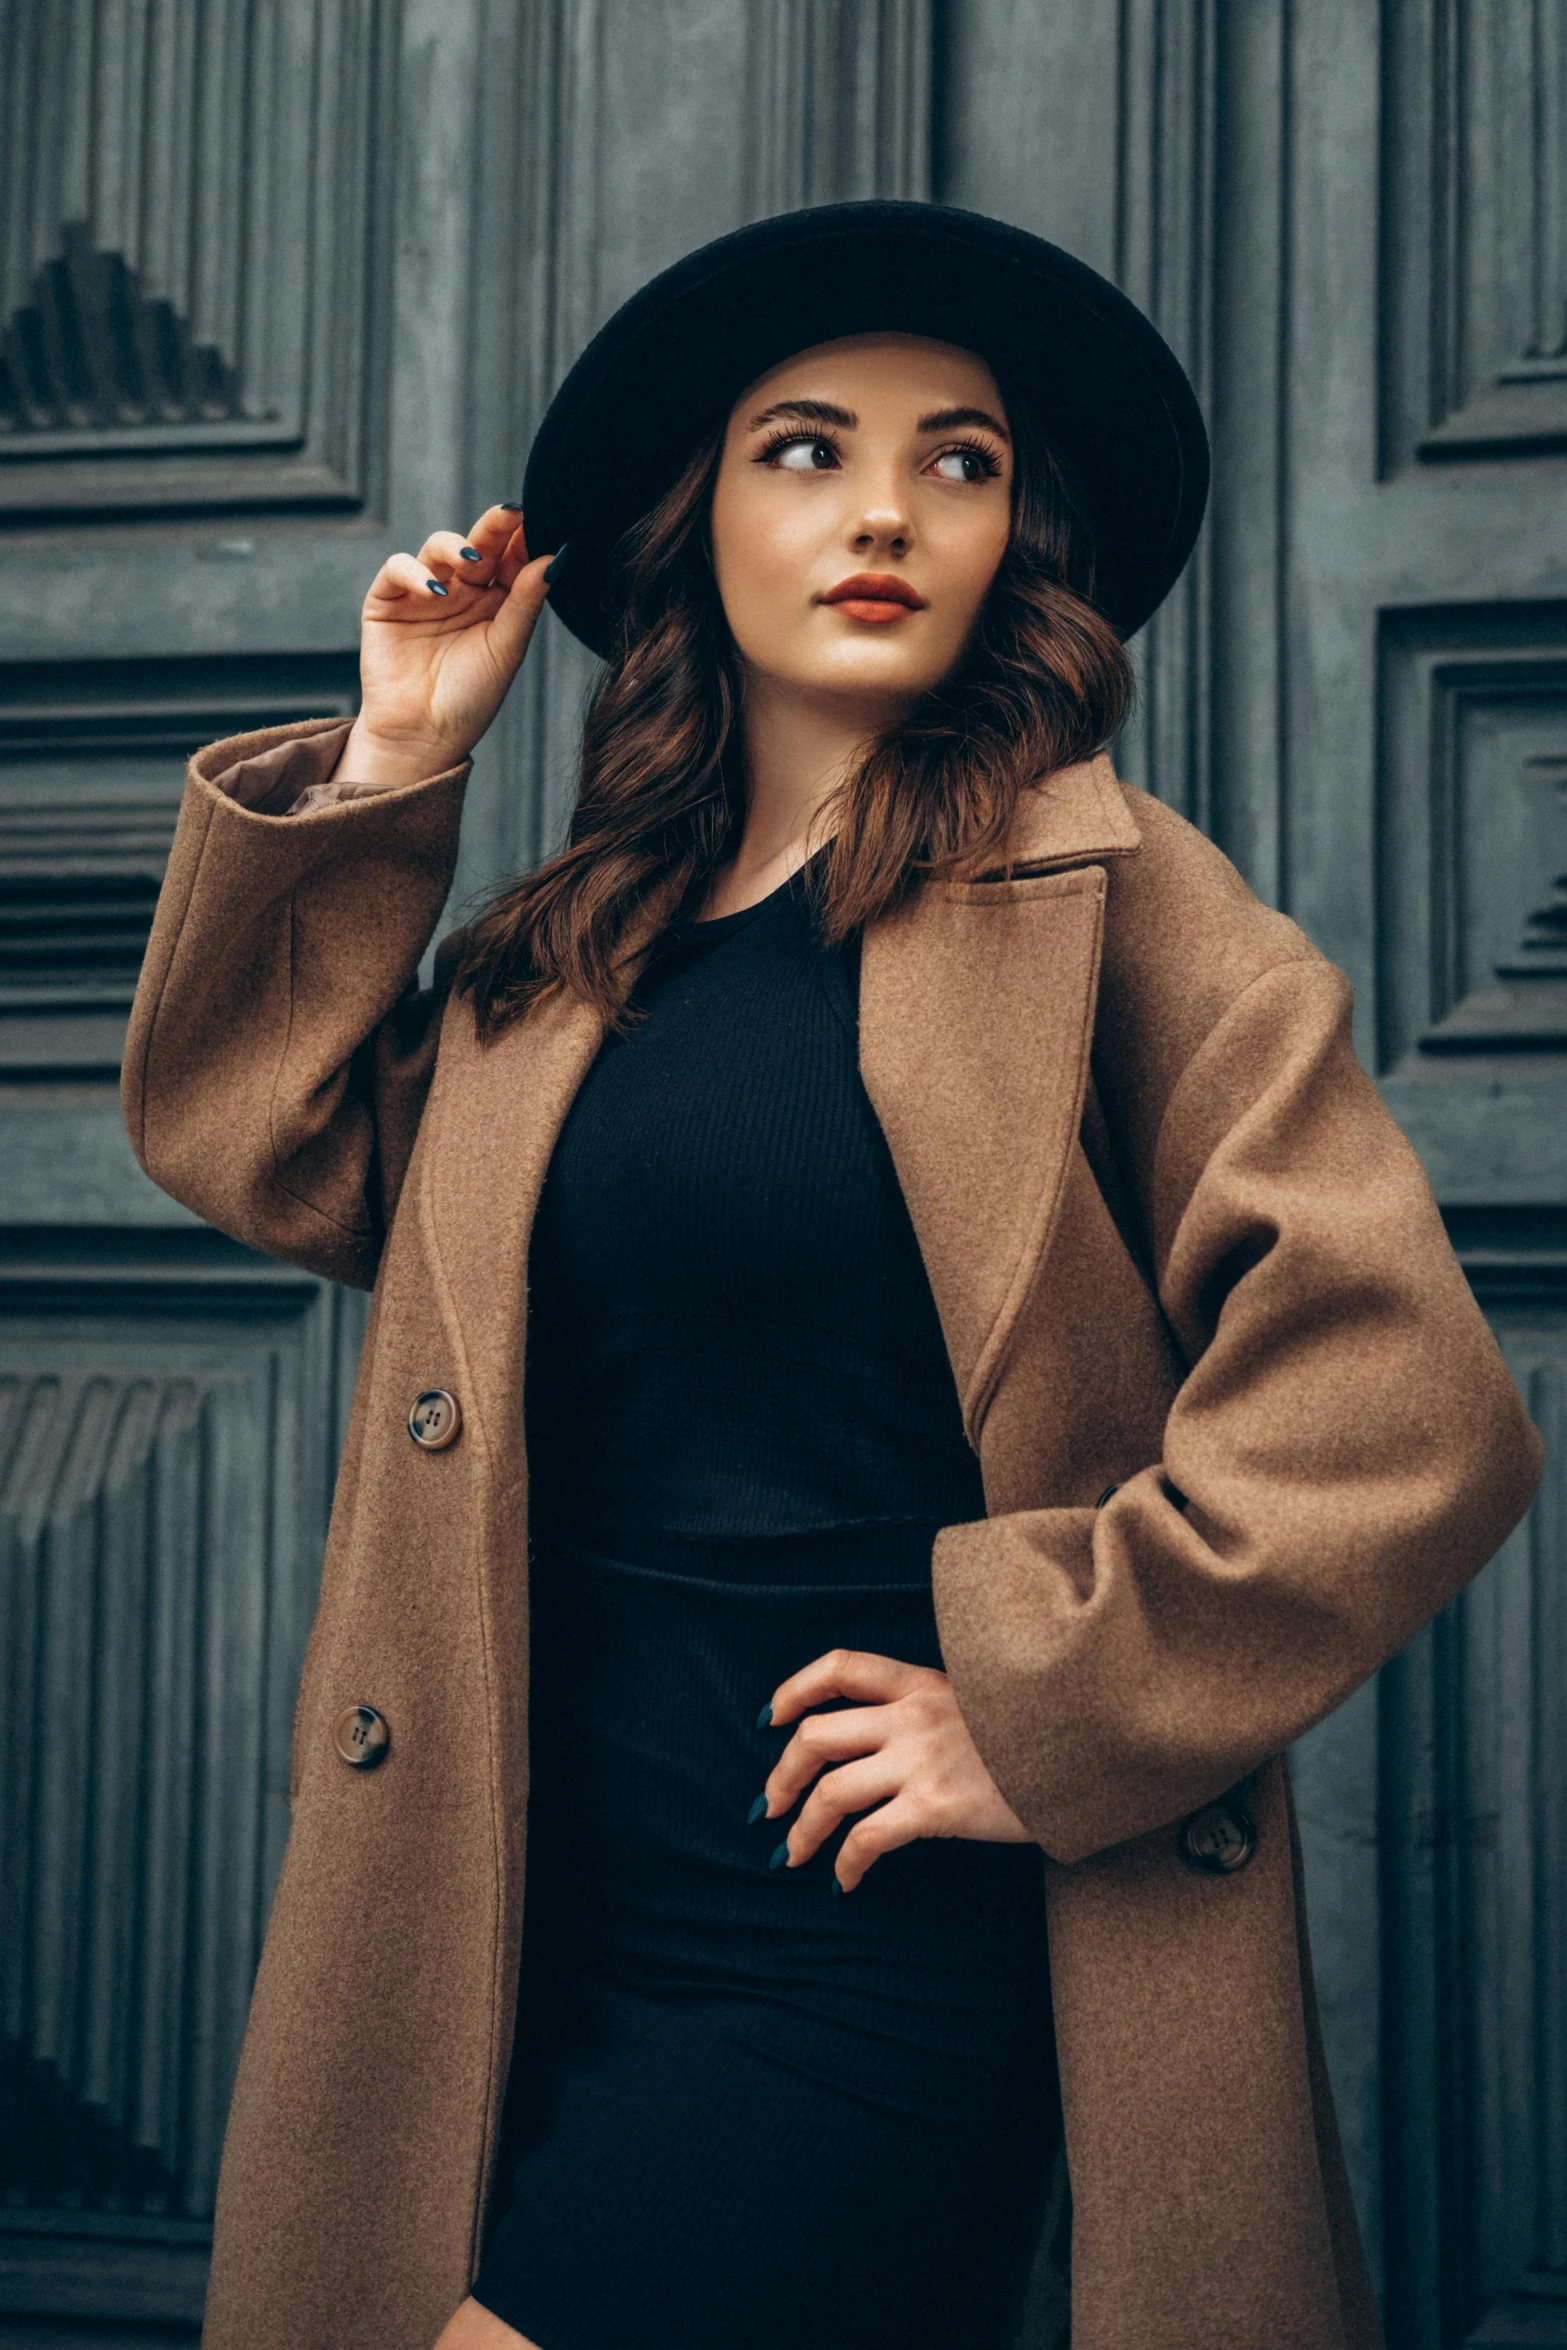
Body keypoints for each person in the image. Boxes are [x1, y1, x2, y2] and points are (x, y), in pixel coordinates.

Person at [123, 202, 1542, 2350]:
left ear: (1016, 533)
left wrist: (1050, 1704)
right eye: (807, 448)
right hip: (528, 1932)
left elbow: (1409, 1401)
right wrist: (403, 759)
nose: (886, 508)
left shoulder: (1116, 898)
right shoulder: (572, 947)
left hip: (864, 1963)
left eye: (957, 458)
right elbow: (270, 1142)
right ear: (691, 521)